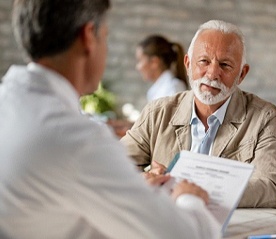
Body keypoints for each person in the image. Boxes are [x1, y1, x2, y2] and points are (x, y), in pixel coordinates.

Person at [0, 1, 221, 239]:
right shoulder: (77, 139)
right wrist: (188, 197)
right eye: (105, 36)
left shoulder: (9, 102)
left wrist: (131, 191)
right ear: (88, 37)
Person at [121, 20, 276, 208]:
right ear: (188, 64)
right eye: (204, 61)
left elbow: (271, 189)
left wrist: (194, 189)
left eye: (225, 65)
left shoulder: (265, 118)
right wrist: (144, 179)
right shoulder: (156, 112)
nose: (213, 73)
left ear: (241, 74)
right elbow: (113, 165)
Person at [135, 35, 188, 102]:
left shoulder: (173, 88)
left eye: (140, 60)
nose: (138, 67)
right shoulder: (157, 89)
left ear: (154, 62)